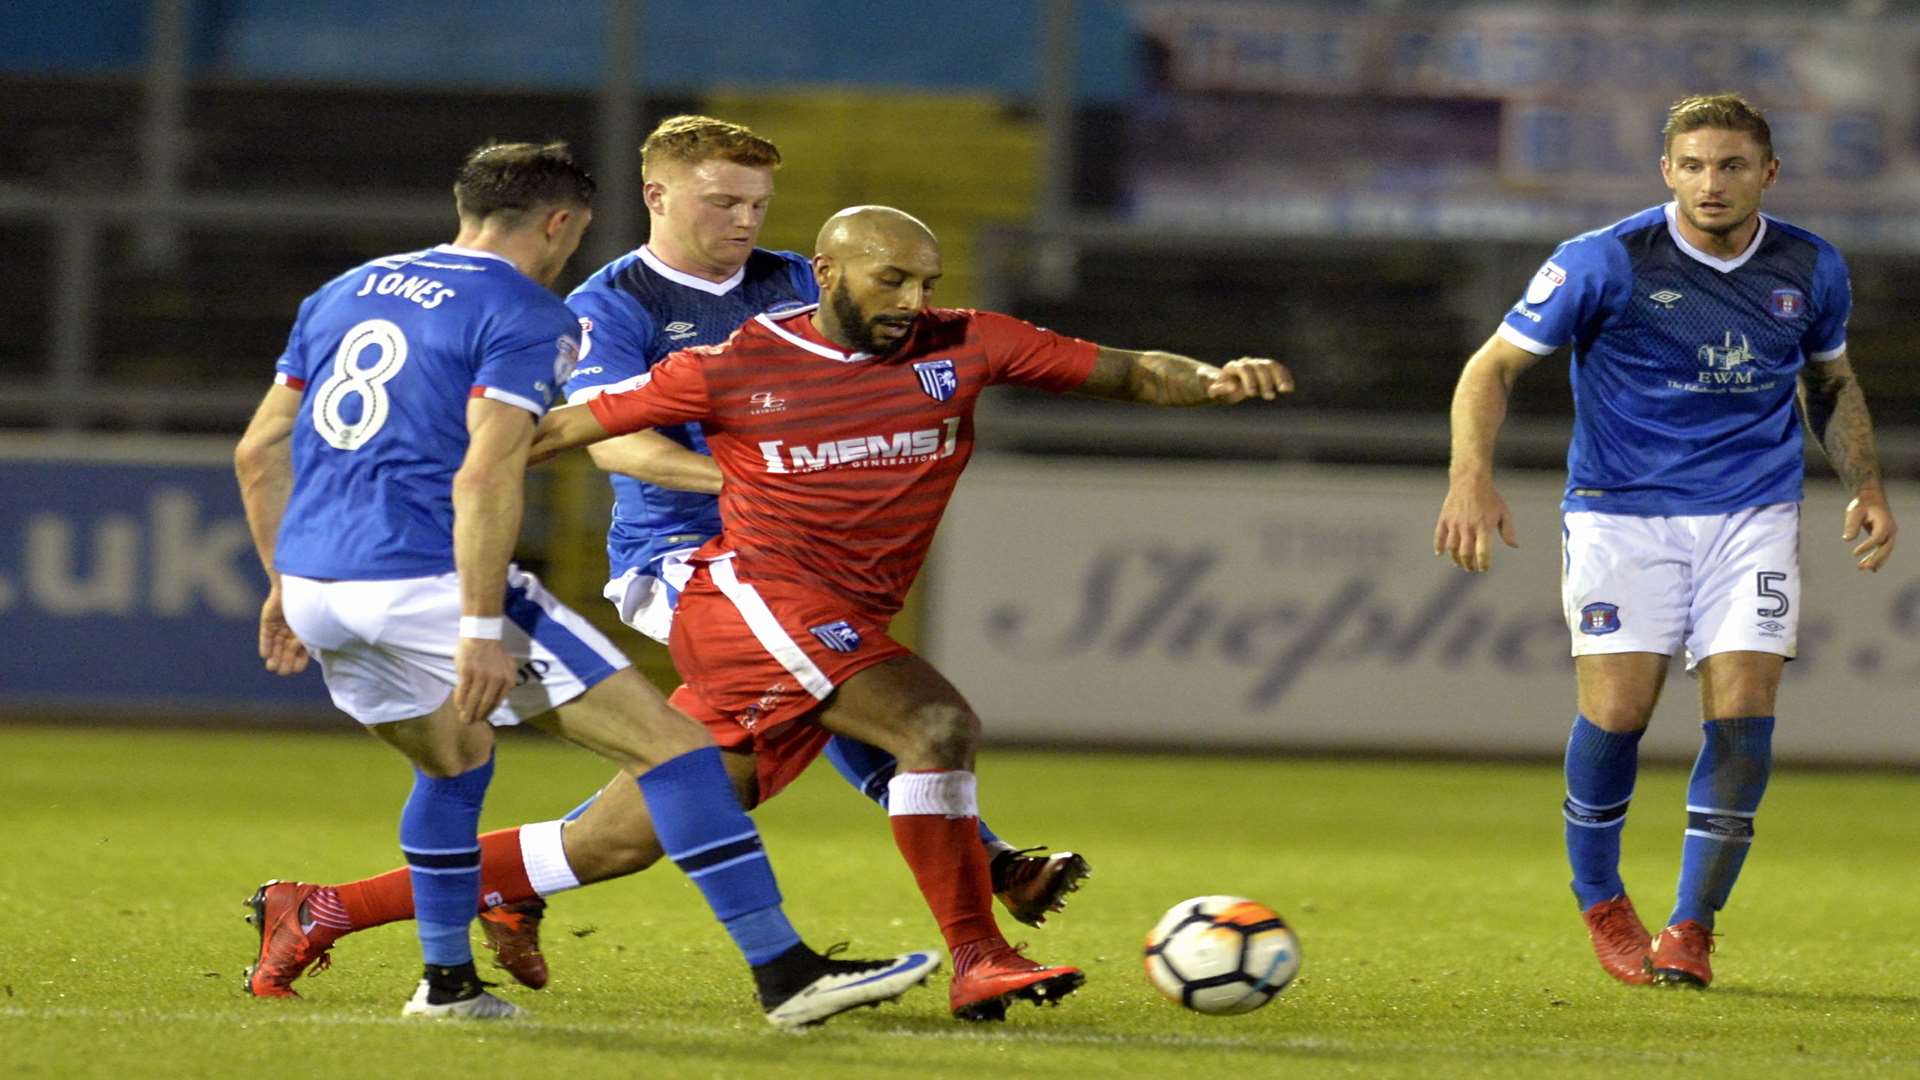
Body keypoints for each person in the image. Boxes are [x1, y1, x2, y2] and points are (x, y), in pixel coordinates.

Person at [243, 116, 1087, 1001]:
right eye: (722, 200)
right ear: (657, 196)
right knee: (874, 701)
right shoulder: (610, 305)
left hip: (792, 565)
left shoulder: (802, 281)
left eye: (757, 203)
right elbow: (615, 446)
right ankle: (965, 925)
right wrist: (760, 476)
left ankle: (333, 907)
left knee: (633, 828)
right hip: (680, 559)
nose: (745, 220)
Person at [534, 203, 1293, 1019]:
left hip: (825, 602)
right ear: (828, 274)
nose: (911, 298)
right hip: (705, 572)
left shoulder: (961, 340)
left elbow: (1132, 370)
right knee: (927, 724)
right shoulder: (711, 344)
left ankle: (470, 890)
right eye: (893, 279)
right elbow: (586, 427)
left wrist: (1209, 381)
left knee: (639, 826)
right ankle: (977, 949)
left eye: (925, 282)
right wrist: (441, 462)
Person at [1433, 94, 1898, 990]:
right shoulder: (1605, 260)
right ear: (1666, 172)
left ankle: (1691, 928)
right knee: (1619, 714)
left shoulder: (1809, 265)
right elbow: (1490, 367)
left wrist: (1866, 485)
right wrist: (1469, 476)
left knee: (1744, 711)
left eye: (1730, 166)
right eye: (1692, 166)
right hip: (1621, 511)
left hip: (1751, 510)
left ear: (1768, 173)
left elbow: (1830, 383)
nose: (1710, 183)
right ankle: (1603, 900)